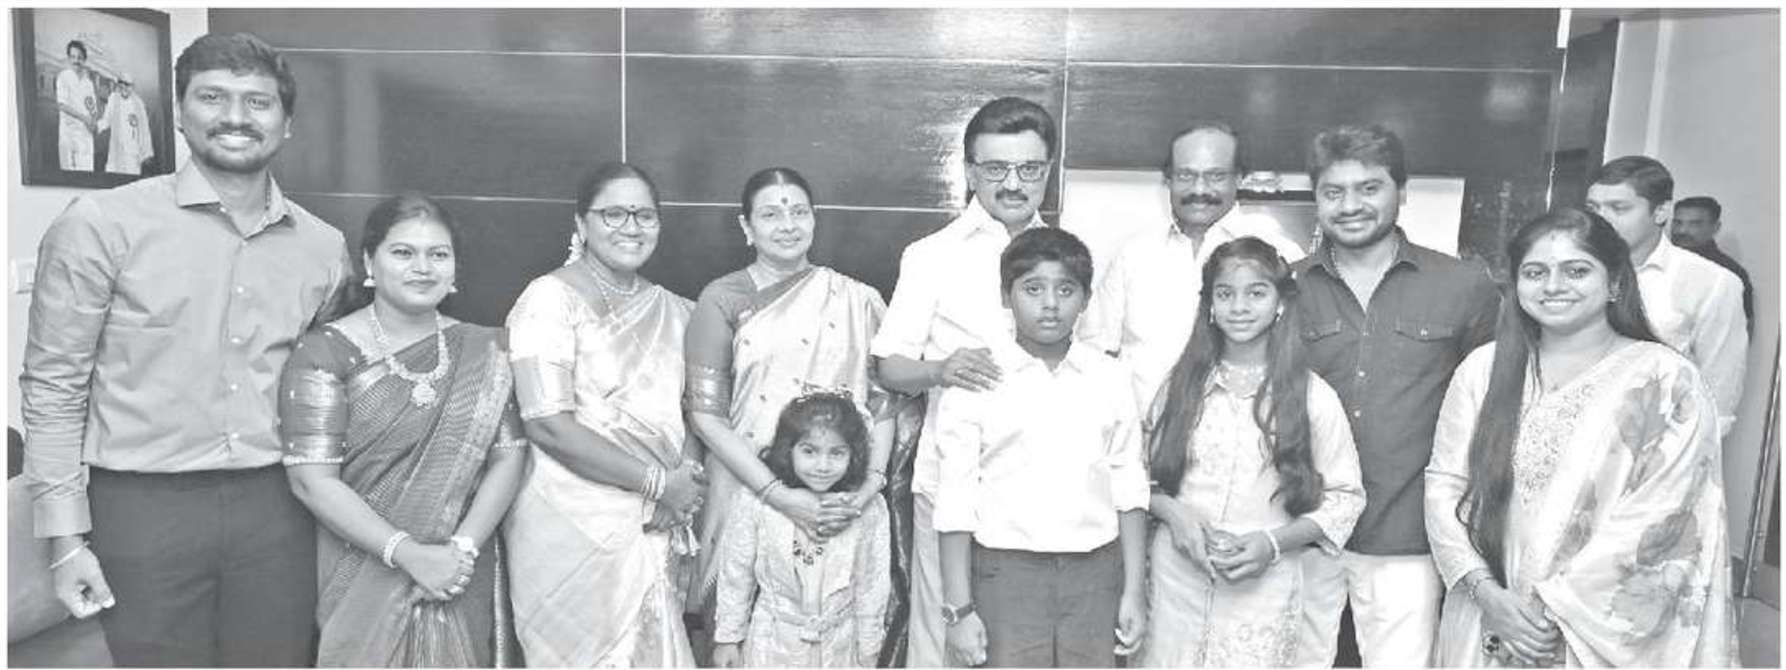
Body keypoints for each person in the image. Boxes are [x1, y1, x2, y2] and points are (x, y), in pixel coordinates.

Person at [20, 32, 349, 666]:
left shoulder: (323, 247)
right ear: (178, 112)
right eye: (213, 97)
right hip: (142, 506)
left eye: (258, 102)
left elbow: (321, 382)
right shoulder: (100, 226)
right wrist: (64, 540)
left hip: (277, 505)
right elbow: (54, 385)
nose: (235, 117)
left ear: (287, 124)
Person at [1425, 207, 1737, 666]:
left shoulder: (1666, 379)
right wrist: (1486, 593)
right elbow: (1444, 484)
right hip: (1489, 611)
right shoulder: (1484, 369)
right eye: (1535, 272)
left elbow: (1666, 519)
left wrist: (1548, 613)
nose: (1553, 286)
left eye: (1576, 271)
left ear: (1615, 283)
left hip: (1594, 631)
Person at [280, 193, 528, 666]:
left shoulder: (486, 349)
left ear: (454, 269)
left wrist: (460, 551)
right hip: (362, 569)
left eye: (438, 254)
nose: (423, 268)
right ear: (368, 262)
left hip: (461, 572)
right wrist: (408, 554)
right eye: (403, 252)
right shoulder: (324, 351)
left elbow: (510, 456)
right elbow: (312, 481)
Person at [1291, 124, 1500, 667]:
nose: (1350, 206)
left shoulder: (1462, 286)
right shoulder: (1286, 288)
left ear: (1401, 191)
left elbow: (1492, 408)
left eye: (1369, 188)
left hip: (1408, 533)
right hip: (1304, 527)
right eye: (1333, 192)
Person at [870, 96, 1057, 667]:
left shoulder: (1068, 255)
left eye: (1028, 168)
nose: (1013, 183)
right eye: (996, 168)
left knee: (1026, 643)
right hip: (953, 483)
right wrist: (939, 370)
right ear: (971, 172)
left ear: (1048, 171)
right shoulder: (932, 255)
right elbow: (888, 365)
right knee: (944, 641)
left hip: (1045, 486)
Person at [503, 161, 704, 667]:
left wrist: (682, 483)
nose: (631, 227)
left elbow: (694, 414)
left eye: (644, 215)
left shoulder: (677, 311)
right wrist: (657, 483)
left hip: (653, 521)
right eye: (613, 214)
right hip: (569, 522)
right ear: (581, 223)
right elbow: (547, 423)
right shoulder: (548, 300)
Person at [1142, 237, 1366, 667]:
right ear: (1209, 304)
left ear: (1280, 303)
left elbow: (1346, 498)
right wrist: (1174, 513)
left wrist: (1272, 544)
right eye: (1225, 294)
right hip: (1177, 582)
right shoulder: (1180, 387)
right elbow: (1137, 478)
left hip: (1263, 589)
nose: (1239, 307)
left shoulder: (1311, 396)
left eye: (1256, 293)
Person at [685, 167, 897, 615]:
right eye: (770, 215)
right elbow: (705, 416)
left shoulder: (856, 299)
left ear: (814, 218)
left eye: (799, 212)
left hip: (839, 494)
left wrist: (866, 490)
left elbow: (884, 405)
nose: (788, 225)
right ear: (746, 226)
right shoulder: (722, 299)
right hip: (745, 486)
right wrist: (776, 494)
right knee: (736, 624)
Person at [933, 227, 1148, 668]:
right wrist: (958, 609)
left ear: (1086, 299)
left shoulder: (1110, 378)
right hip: (1004, 575)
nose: (1050, 303)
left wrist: (1133, 591)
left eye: (1066, 289)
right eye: (1033, 289)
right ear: (1005, 295)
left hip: (1095, 575)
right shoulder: (977, 379)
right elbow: (955, 497)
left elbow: (1129, 486)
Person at [1079, 121, 1307, 407]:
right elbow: (1095, 352)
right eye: (1186, 175)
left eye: (1215, 176)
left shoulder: (1280, 251)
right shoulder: (1133, 254)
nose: (1199, 189)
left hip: (1245, 430)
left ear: (1239, 178)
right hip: (1142, 431)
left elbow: (1297, 353)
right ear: (1168, 179)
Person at [711, 392, 893, 667]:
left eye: (836, 453)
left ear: (853, 455)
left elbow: (872, 588)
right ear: (789, 449)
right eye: (809, 451)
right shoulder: (757, 503)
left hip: (839, 650)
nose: (823, 466)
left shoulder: (868, 510)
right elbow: (736, 573)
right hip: (770, 647)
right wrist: (728, 638)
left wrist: (869, 652)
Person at [1586, 157, 1746, 438]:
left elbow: (1718, 394)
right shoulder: (1571, 270)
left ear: (1661, 211)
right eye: (1593, 208)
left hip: (1653, 447)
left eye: (1618, 208)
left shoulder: (1711, 282)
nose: (1601, 220)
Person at [1671, 196, 1754, 335]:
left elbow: (1743, 329)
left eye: (1695, 224)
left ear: (1715, 227)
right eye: (1677, 223)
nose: (1682, 230)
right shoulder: (1656, 260)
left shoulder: (1729, 273)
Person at [55, 39, 99, 171]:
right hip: (69, 135)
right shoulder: (63, 77)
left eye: (79, 57)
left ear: (84, 59)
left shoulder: (88, 83)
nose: (76, 61)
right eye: (73, 57)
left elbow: (93, 109)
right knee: (69, 176)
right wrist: (84, 118)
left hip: (85, 137)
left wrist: (93, 122)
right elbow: (62, 105)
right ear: (69, 58)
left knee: (87, 174)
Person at [100, 72, 154, 175]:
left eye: (127, 84)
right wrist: (96, 127)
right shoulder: (113, 98)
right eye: (121, 83)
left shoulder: (138, 104)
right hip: (116, 152)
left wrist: (146, 152)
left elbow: (145, 130)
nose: (124, 87)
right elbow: (106, 120)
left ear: (132, 87)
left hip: (133, 153)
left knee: (131, 181)